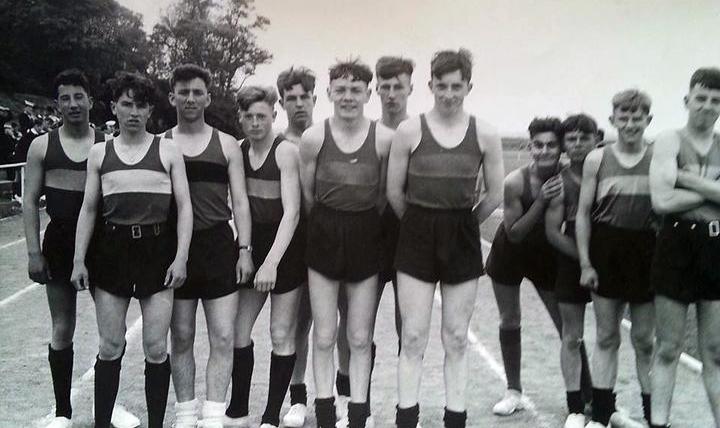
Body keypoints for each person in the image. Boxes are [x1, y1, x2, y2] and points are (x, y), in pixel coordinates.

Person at [387, 48, 504, 428]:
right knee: (415, 335)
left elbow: (495, 194)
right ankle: (407, 417)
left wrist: (464, 225)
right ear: (430, 85)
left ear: (469, 86)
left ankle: (455, 419)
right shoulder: (410, 130)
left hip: (461, 234)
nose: (449, 94)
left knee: (455, 336)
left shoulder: (484, 132)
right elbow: (394, 192)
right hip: (417, 232)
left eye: (457, 86)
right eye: (442, 86)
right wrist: (421, 225)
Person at [70, 71, 193, 428]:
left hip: (157, 251)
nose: (134, 111)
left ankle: (156, 423)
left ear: (151, 109)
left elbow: (184, 207)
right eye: (127, 104)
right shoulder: (99, 153)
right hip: (112, 251)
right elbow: (89, 209)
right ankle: (103, 423)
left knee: (156, 347)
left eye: (141, 104)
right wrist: (79, 259)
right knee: (110, 346)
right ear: (114, 108)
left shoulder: (168, 150)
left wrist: (181, 256)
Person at [22, 69, 140, 428]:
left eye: (78, 97)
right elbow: (28, 202)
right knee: (62, 327)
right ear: (57, 103)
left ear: (91, 100)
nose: (72, 104)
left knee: (112, 332)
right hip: (59, 242)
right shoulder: (42, 146)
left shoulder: (108, 144)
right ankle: (62, 412)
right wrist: (32, 253)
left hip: (102, 243)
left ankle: (110, 405)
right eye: (64, 98)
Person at [299, 59, 393, 428]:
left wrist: (358, 223)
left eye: (356, 90)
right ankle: (324, 412)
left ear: (368, 94)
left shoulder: (383, 139)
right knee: (323, 334)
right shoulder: (314, 137)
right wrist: (330, 224)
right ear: (329, 94)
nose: (348, 97)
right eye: (341, 90)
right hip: (324, 232)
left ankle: (357, 414)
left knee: (358, 335)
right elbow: (309, 197)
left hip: (365, 234)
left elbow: (384, 195)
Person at [163, 64, 254, 428]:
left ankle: (214, 414)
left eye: (197, 92)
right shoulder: (161, 143)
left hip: (218, 245)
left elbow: (241, 201)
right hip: (177, 248)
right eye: (182, 92)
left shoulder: (227, 144)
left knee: (222, 334)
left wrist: (244, 249)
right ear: (172, 97)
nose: (190, 98)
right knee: (181, 335)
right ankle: (186, 412)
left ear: (208, 97)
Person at [486, 116, 592, 417]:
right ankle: (513, 391)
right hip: (510, 253)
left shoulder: (567, 174)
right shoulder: (515, 181)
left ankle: (588, 394)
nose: (544, 151)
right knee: (510, 319)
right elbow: (515, 233)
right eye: (538, 145)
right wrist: (541, 201)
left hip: (546, 256)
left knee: (566, 326)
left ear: (561, 148)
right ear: (528, 146)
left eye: (551, 145)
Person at [224, 85, 304, 428]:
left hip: (285, 246)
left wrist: (271, 262)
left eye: (262, 116)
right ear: (240, 118)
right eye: (249, 116)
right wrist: (248, 250)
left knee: (281, 332)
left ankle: (271, 416)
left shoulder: (286, 152)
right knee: (238, 330)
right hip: (252, 242)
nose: (256, 122)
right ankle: (238, 410)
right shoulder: (238, 151)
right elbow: (237, 204)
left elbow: (293, 213)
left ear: (274, 115)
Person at [576, 89, 656, 428]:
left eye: (637, 117)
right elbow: (583, 214)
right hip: (608, 250)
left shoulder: (658, 157)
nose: (630, 123)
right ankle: (603, 412)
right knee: (607, 336)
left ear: (648, 120)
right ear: (613, 121)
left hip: (647, 252)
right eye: (624, 116)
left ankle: (655, 415)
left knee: (644, 340)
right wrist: (585, 263)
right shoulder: (597, 159)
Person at [649, 67, 720, 428]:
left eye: (715, 100)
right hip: (676, 246)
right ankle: (658, 423)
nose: (707, 106)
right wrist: (713, 190)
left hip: (715, 246)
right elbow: (661, 200)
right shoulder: (669, 140)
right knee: (668, 348)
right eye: (701, 98)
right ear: (687, 100)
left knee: (715, 351)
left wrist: (684, 177)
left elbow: (672, 188)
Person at [544, 114, 599, 428]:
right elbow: (553, 232)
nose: (578, 145)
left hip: (608, 259)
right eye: (572, 139)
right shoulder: (559, 182)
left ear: (596, 139)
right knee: (572, 336)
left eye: (584, 138)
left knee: (608, 336)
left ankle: (604, 403)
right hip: (573, 261)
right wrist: (585, 259)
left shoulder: (605, 173)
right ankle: (575, 406)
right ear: (564, 144)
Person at [275, 66, 318, 428]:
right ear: (282, 102)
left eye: (305, 97)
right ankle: (298, 397)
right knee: (298, 323)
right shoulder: (279, 145)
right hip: (295, 242)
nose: (299, 104)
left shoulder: (329, 138)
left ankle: (345, 395)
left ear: (316, 100)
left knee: (346, 325)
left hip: (334, 241)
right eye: (292, 98)